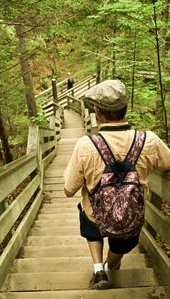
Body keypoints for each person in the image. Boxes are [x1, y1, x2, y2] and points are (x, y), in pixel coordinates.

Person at [63, 79, 170, 290]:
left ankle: (98, 270)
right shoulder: (149, 140)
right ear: (125, 108)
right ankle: (111, 265)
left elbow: (68, 190)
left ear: (97, 112)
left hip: (96, 216)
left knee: (86, 214)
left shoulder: (86, 144)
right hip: (130, 220)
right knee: (123, 240)